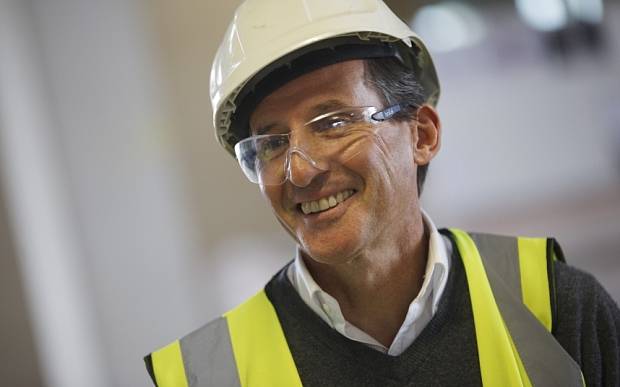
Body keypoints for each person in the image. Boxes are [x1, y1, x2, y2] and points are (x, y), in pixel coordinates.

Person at [144, 0, 620, 386]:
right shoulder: (211, 375)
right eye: (271, 144)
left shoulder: (558, 311)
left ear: (421, 135)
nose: (300, 171)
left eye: (333, 122)